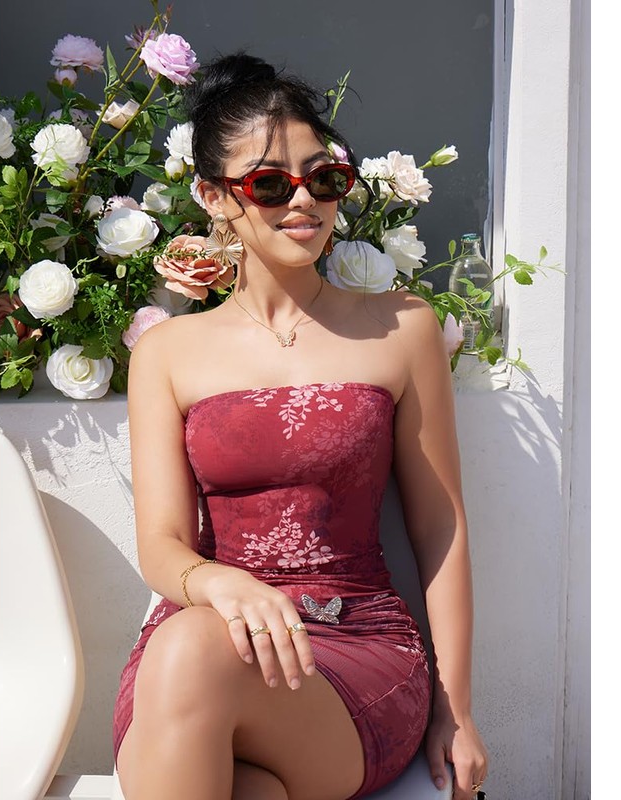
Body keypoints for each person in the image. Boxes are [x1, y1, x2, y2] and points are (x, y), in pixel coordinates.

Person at [112, 52, 488, 800]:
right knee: (233, 754)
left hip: (352, 651)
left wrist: (458, 710)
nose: (304, 201)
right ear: (213, 196)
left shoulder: (401, 327)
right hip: (206, 639)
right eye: (270, 184)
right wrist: (221, 585)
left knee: (189, 656)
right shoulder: (166, 352)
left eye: (323, 178)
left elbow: (440, 528)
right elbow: (162, 542)